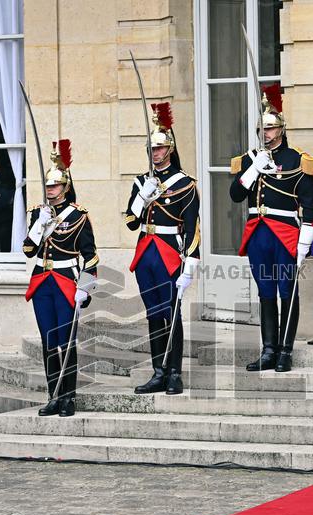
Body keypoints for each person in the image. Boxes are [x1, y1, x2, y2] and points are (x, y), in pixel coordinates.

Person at [229, 84, 313, 372]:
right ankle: (268, 350)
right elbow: (235, 195)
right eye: (262, 129)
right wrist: (254, 167)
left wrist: (305, 242)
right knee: (265, 291)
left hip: (285, 234)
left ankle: (285, 351)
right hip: (258, 233)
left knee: (287, 291)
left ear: (281, 129)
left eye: (270, 129)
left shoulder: (296, 160)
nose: (266, 134)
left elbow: (311, 204)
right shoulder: (248, 159)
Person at [124, 102, 201, 395]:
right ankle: (158, 370)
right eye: (152, 149)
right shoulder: (141, 181)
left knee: (172, 312)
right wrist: (141, 199)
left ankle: (175, 373)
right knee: (154, 313)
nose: (155, 154)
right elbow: (131, 222)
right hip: (146, 253)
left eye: (159, 148)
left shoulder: (184, 183)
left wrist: (191, 263)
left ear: (169, 149)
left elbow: (193, 225)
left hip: (170, 251)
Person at [23, 139, 99, 417]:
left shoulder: (78, 216)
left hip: (67, 279)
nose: (50, 190)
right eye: (48, 186)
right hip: (42, 279)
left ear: (65, 186)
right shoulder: (37, 213)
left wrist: (86, 288)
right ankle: (53, 394)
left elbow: (90, 256)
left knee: (66, 341)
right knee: (48, 341)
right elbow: (28, 250)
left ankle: (68, 397)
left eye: (55, 186)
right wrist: (39, 225)